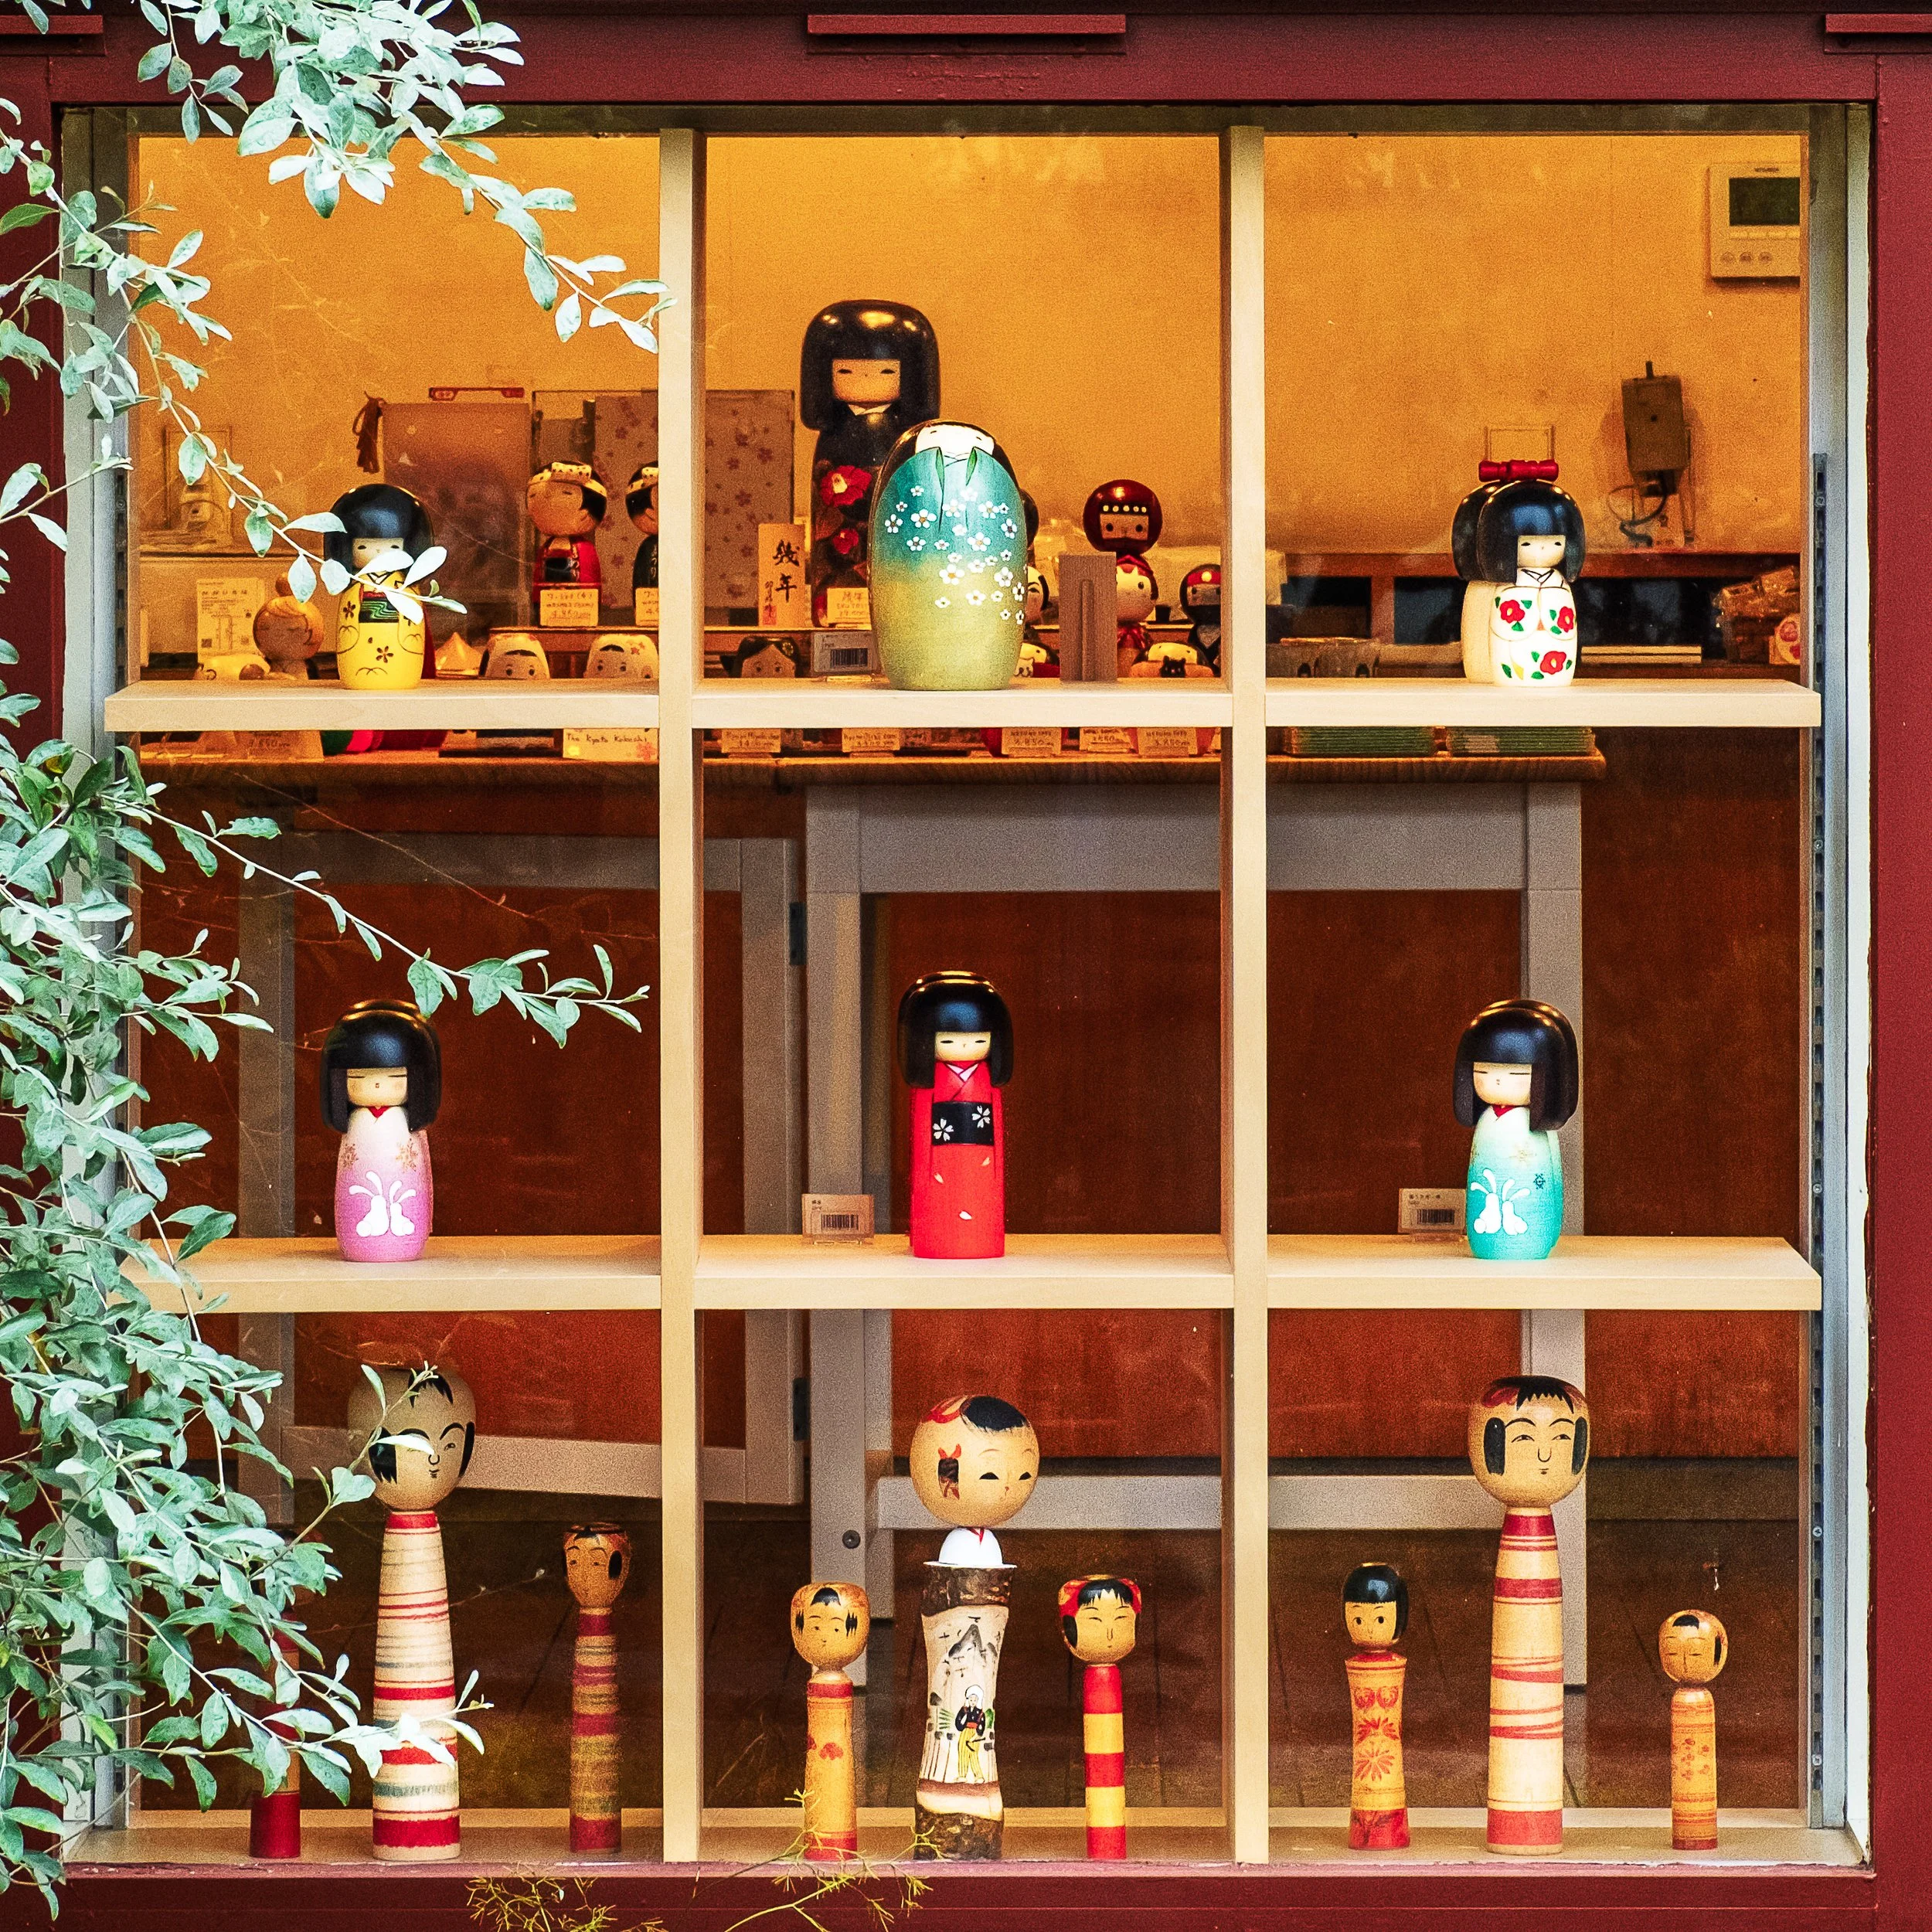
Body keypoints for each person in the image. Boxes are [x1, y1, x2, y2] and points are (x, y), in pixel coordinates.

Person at [897, 973, 1013, 1259]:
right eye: (947, 1040)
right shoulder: (932, 1081)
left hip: (982, 1158)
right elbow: (924, 1128)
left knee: (980, 1199)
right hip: (939, 1157)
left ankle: (982, 1242)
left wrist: (994, 1160)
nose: (963, 1047)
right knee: (940, 1206)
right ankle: (935, 1242)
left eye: (978, 1039)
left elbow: (996, 1127)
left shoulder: (986, 1079)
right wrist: (925, 1163)